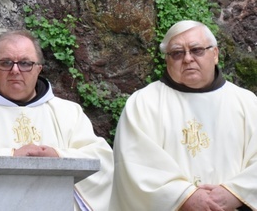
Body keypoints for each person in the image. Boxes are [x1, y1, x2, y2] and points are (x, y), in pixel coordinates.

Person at [0, 30, 114, 211]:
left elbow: (102, 158)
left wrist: (57, 156)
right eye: (6, 63)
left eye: (25, 63)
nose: (15, 70)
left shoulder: (67, 112)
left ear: (38, 69)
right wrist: (14, 155)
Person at [110, 20, 257, 211]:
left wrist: (235, 192)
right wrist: (184, 196)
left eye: (197, 50)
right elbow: (134, 164)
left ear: (215, 54)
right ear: (167, 59)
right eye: (178, 53)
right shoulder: (143, 103)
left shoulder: (247, 102)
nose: (187, 59)